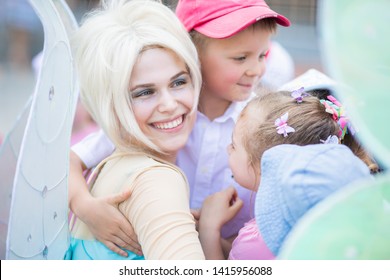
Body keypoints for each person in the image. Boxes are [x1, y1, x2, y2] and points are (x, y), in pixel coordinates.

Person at [68, 0, 291, 257]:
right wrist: (84, 206)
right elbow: (69, 159)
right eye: (240, 58)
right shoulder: (138, 123)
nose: (257, 70)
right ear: (190, 52)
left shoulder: (259, 121)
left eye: (263, 55)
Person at [66, 0, 204, 259]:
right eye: (145, 92)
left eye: (178, 82)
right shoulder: (155, 180)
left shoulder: (115, 165)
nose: (170, 104)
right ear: (111, 104)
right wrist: (82, 204)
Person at [197, 89, 372, 259]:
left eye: (234, 145)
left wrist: (209, 228)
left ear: (263, 164)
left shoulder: (257, 241)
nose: (228, 149)